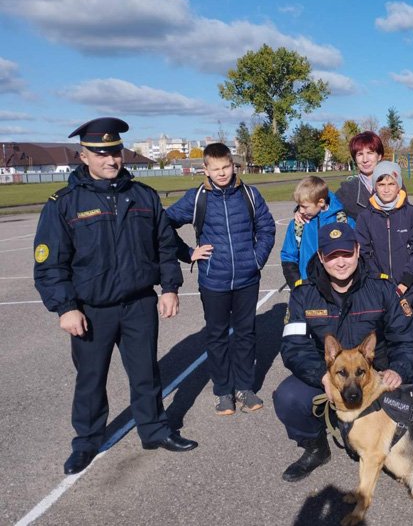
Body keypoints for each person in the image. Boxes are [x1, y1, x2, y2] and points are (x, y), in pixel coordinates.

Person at [33, 117, 197, 476]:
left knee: (146, 373)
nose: (111, 160)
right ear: (84, 156)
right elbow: (50, 263)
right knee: (91, 378)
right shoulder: (64, 204)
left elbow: (164, 247)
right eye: (101, 153)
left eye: (115, 152)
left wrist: (169, 287)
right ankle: (87, 441)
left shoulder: (143, 197)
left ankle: (154, 430)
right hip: (91, 310)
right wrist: (66, 308)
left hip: (139, 304)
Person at [274, 222, 413, 482]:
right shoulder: (303, 294)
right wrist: (322, 376)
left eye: (346, 254)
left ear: (357, 251)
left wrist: (397, 370)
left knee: (400, 425)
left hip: (376, 377)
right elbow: (293, 346)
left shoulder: (383, 288)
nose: (340, 263)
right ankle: (316, 447)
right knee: (288, 396)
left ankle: (379, 439)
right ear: (321, 257)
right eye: (332, 256)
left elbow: (408, 340)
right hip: (331, 376)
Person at [166, 143, 276, 415]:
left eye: (226, 167)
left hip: (247, 280)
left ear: (233, 165)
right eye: (215, 169)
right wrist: (188, 253)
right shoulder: (197, 198)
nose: (222, 173)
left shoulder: (250, 195)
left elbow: (267, 227)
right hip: (213, 280)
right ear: (205, 169)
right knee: (216, 336)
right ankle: (223, 391)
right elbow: (163, 224)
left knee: (246, 335)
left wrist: (256, 260)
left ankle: (244, 387)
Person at [355, 160, 413, 314]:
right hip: (378, 288)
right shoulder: (365, 217)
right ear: (375, 187)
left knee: (410, 334)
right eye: (381, 184)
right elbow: (363, 253)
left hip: (408, 288)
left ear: (398, 185)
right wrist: (380, 280)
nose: (386, 189)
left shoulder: (412, 214)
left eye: (391, 184)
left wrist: (406, 281)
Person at [280, 175, 353, 286]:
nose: (301, 210)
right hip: (308, 286)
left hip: (340, 287)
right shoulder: (297, 224)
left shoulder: (344, 221)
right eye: (299, 206)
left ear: (321, 202)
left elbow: (357, 252)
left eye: (304, 206)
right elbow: (288, 256)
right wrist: (296, 285)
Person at [335, 131, 385, 220]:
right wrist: (302, 211)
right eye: (360, 154)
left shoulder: (395, 185)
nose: (365, 159)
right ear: (355, 158)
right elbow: (321, 207)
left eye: (370, 153)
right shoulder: (347, 190)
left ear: (379, 156)